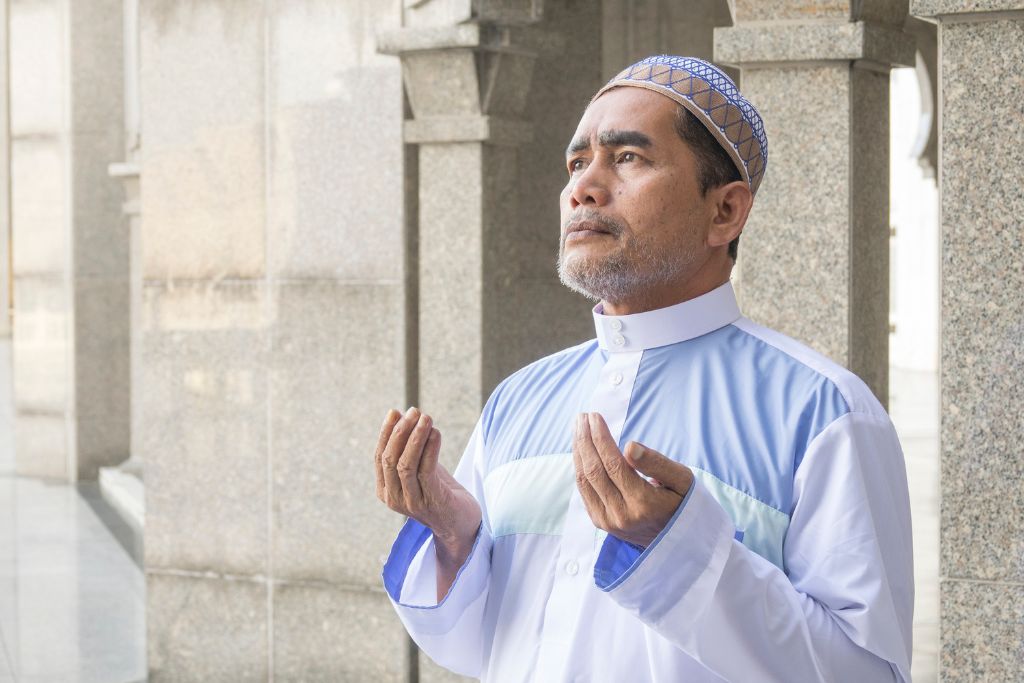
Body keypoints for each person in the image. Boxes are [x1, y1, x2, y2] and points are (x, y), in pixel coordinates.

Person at [373, 55, 913, 682]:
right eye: (577, 163)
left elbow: (867, 673)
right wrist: (452, 537)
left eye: (628, 158)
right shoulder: (518, 399)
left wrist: (685, 553)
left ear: (725, 212)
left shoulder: (824, 412)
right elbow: (474, 647)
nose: (584, 187)